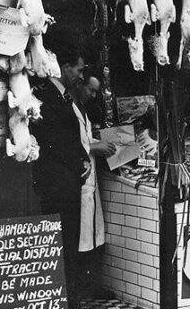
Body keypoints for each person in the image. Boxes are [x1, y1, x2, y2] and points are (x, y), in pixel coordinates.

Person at [31, 39, 89, 309]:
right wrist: (79, 164)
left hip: (68, 180)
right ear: (64, 68)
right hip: (57, 182)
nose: (81, 75)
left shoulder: (64, 94)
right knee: (62, 240)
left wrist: (84, 157)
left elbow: (71, 136)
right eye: (78, 69)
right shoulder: (45, 95)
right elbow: (54, 139)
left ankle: (70, 296)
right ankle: (65, 299)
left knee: (69, 239)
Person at [70, 73, 116, 300]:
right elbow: (73, 145)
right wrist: (95, 147)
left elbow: (85, 139)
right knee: (81, 237)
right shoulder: (69, 108)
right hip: (80, 183)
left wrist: (96, 142)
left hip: (90, 182)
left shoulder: (82, 108)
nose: (94, 95)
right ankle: (79, 290)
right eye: (92, 90)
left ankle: (92, 287)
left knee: (93, 235)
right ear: (80, 85)